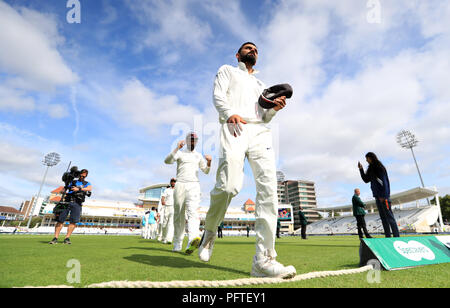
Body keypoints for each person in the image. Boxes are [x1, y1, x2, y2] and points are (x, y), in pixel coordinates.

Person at [198, 42, 296, 278]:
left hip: (260, 133)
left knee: (269, 191)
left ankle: (263, 259)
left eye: (256, 50)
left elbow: (265, 117)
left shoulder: (262, 86)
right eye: (248, 48)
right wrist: (227, 113)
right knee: (229, 186)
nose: (252, 51)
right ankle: (210, 231)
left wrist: (274, 109)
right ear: (238, 54)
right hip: (234, 126)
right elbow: (218, 95)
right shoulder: (227, 71)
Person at [164, 132, 212, 254]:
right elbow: (167, 161)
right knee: (179, 215)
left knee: (193, 213)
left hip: (194, 185)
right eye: (190, 140)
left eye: (195, 140)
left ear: (196, 142)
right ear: (186, 140)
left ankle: (192, 240)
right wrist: (176, 148)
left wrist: (209, 162)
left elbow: (206, 171)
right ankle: (177, 243)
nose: (192, 142)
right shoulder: (180, 153)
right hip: (180, 184)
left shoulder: (198, 155)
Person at [358, 152, 399, 238]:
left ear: (371, 158)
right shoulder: (371, 169)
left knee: (390, 218)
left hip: (384, 197)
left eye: (367, 158)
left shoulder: (379, 168)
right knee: (383, 219)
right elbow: (366, 180)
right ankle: (388, 237)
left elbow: (384, 182)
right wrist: (361, 169)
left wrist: (384, 196)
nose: (366, 160)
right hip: (377, 197)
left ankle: (396, 237)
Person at [49, 169, 92, 244]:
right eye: (81, 175)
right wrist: (66, 184)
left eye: (84, 176)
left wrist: (79, 189)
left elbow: (89, 188)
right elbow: (63, 191)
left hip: (77, 203)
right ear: (79, 174)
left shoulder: (87, 183)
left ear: (86, 176)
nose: (82, 177)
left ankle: (67, 238)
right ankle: (55, 238)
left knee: (73, 221)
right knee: (60, 220)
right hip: (67, 201)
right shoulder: (73, 181)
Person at [160, 179, 176, 244]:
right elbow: (163, 197)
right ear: (170, 182)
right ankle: (164, 238)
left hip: (174, 207)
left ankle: (169, 239)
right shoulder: (167, 190)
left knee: (171, 223)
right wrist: (162, 201)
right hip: (167, 207)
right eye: (172, 181)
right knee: (164, 223)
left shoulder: (177, 190)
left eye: (174, 182)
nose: (173, 183)